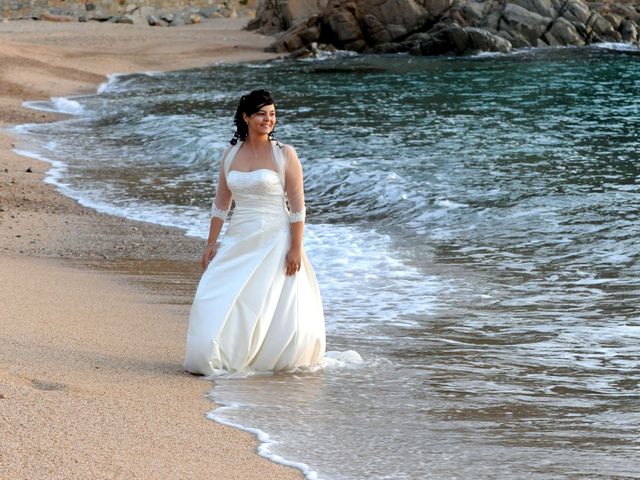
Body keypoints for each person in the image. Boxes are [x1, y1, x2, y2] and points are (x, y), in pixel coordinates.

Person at [184, 89, 326, 376]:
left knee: (264, 301)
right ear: (246, 117)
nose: (268, 119)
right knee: (214, 293)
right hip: (238, 238)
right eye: (261, 113)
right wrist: (212, 243)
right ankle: (213, 353)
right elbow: (221, 204)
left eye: (272, 114)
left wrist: (295, 248)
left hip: (275, 239)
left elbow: (298, 208)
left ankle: (260, 358)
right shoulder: (230, 154)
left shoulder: (285, 154)